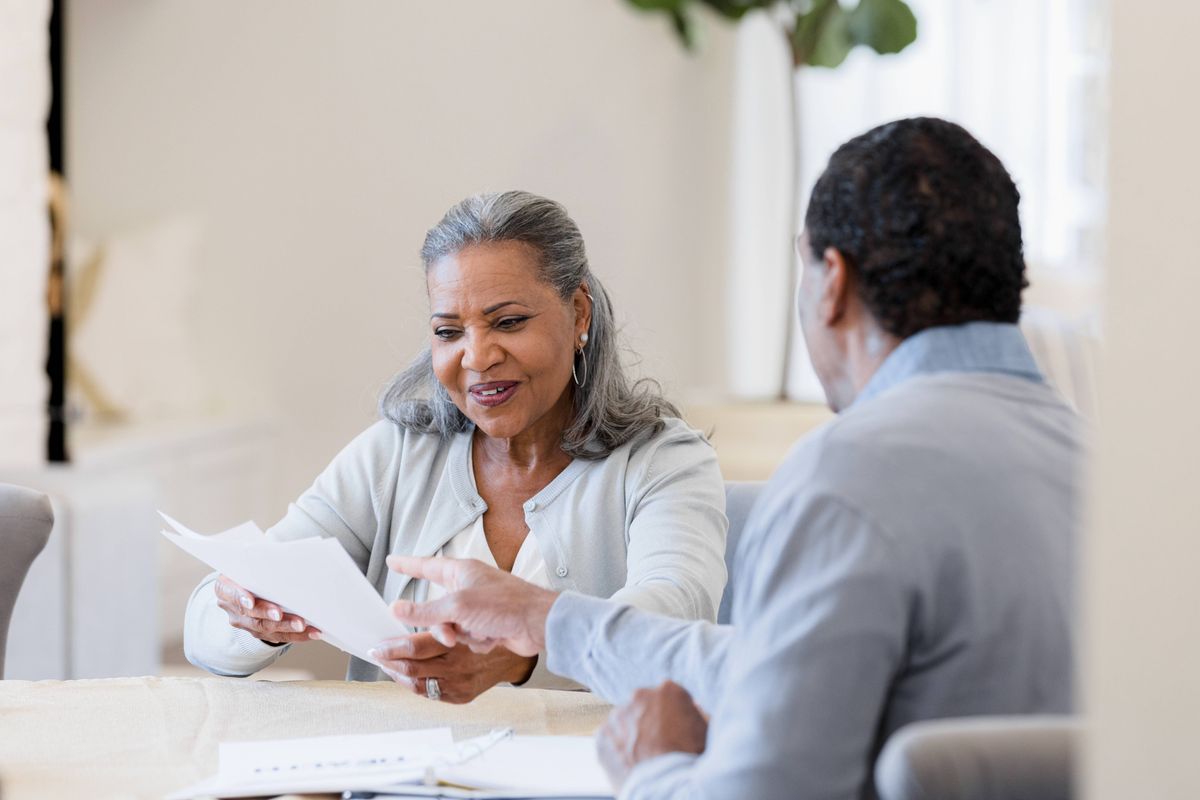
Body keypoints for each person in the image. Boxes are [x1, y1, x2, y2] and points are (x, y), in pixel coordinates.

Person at [388, 118, 1084, 797]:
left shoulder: (849, 477)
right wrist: (545, 620)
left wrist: (651, 769)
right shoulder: (1107, 467)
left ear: (831, 282)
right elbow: (782, 669)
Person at [183, 191, 728, 704]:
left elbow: (671, 621)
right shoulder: (393, 456)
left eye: (509, 322)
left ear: (579, 313)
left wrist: (522, 653)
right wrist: (248, 614)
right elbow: (205, 634)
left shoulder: (664, 463)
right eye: (449, 332)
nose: (477, 356)